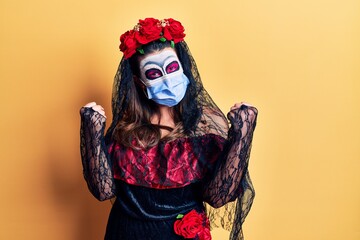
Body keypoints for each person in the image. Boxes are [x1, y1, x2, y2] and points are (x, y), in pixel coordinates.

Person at [80, 18, 258, 240]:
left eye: (172, 68)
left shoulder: (207, 123)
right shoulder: (126, 127)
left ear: (183, 67)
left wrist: (243, 134)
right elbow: (103, 191)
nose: (167, 78)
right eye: (154, 73)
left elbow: (218, 196)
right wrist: (91, 133)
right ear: (139, 81)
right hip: (127, 233)